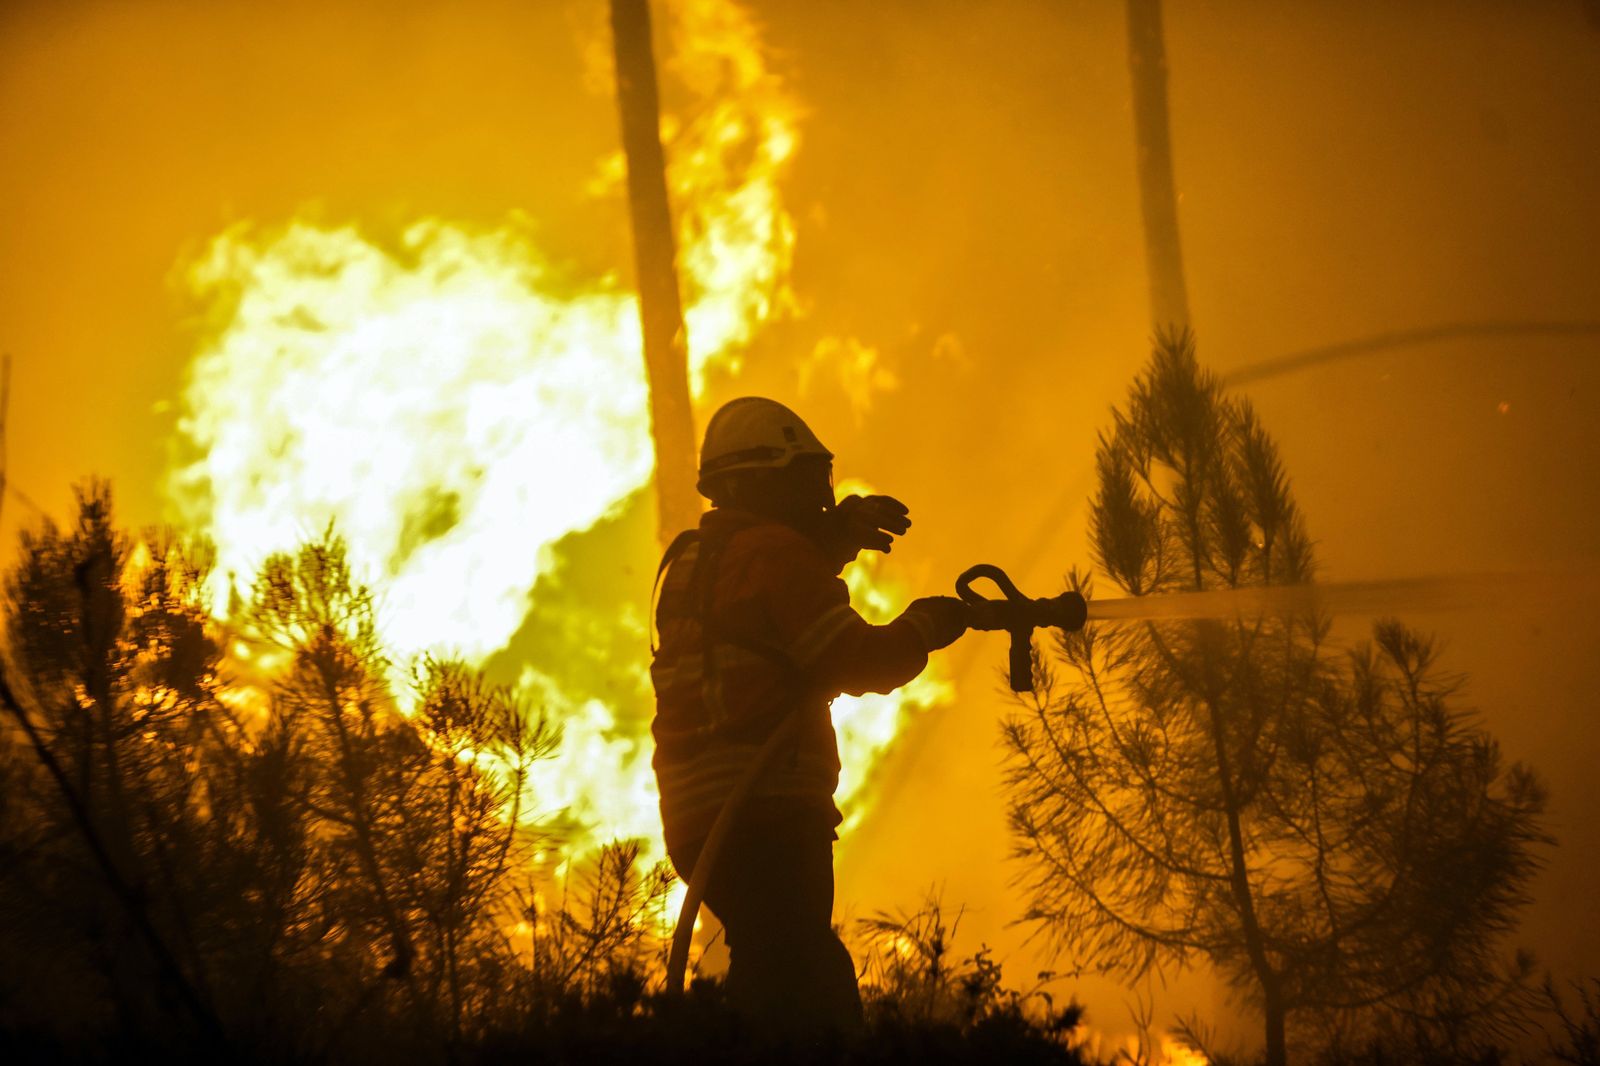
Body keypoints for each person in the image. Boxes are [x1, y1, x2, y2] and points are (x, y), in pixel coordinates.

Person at [650, 396, 969, 1035]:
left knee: (768, 967)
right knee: (809, 988)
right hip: (768, 810)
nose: (817, 497)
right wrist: (925, 626)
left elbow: (757, 602)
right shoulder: (775, 554)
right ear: (759, 482)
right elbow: (855, 660)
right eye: (801, 482)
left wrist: (835, 537)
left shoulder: (688, 560)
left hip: (695, 820)